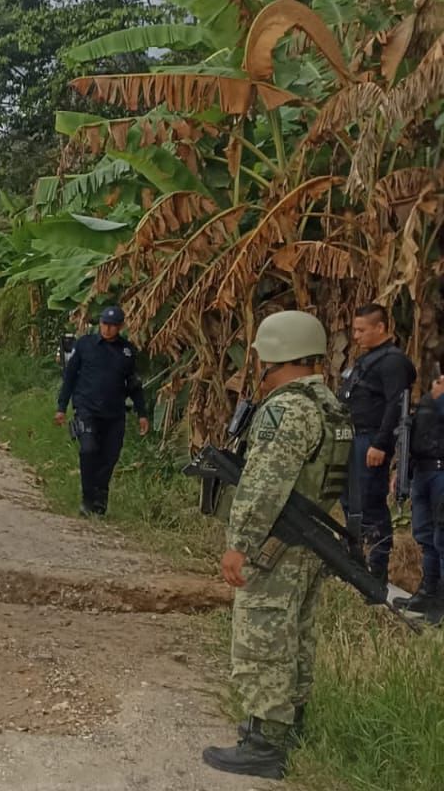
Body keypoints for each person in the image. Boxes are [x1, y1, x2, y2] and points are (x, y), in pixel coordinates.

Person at [203, 310, 353, 779]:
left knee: (263, 637)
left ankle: (264, 744)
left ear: (275, 355)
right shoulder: (330, 406)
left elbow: (264, 485)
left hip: (277, 544)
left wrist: (240, 544)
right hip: (309, 542)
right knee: (297, 635)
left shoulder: (286, 410)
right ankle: (290, 725)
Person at [338, 303, 417, 584]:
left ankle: (376, 567)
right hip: (353, 437)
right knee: (349, 499)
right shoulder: (369, 359)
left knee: (369, 501)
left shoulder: (394, 362)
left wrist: (381, 444)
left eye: (361, 330)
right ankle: (353, 559)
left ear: (380, 328)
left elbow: (397, 406)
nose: (356, 336)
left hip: (370, 440)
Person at [55, 305, 149, 516]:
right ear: (99, 324)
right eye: (105, 324)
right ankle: (87, 498)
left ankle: (100, 498)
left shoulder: (127, 351)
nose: (107, 329)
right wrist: (61, 407)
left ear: (121, 327)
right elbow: (70, 377)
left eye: (113, 326)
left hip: (114, 413)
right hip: (87, 408)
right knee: (88, 450)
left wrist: (142, 413)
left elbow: (134, 385)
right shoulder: (85, 344)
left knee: (109, 457)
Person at [396, 369, 444, 623]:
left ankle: (441, 602)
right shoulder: (433, 392)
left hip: (441, 472)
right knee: (426, 536)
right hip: (423, 472)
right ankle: (428, 593)